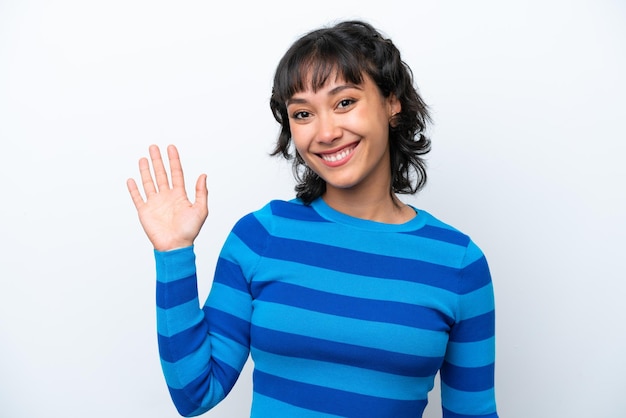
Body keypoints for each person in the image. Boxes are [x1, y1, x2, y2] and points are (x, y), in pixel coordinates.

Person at [127, 20, 498, 418]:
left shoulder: (458, 262)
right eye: (303, 113)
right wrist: (174, 254)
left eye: (344, 102)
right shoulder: (260, 236)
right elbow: (195, 393)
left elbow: (473, 412)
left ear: (392, 103)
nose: (325, 132)